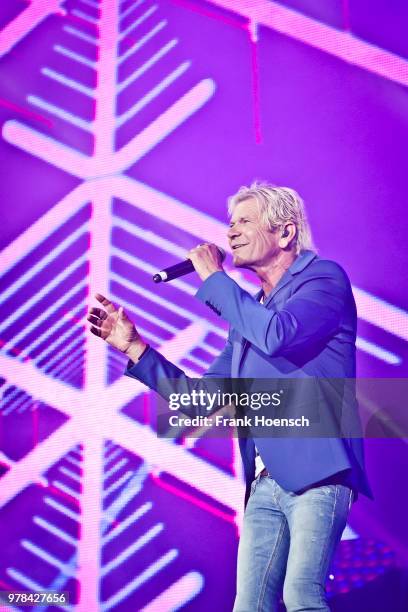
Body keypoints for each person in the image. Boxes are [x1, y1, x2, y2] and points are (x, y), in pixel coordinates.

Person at [87, 182, 372, 611]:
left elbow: (279, 335)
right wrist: (135, 349)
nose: (230, 233)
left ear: (285, 233)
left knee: (302, 595)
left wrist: (216, 281)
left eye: (244, 222)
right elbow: (199, 402)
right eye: (230, 223)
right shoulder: (246, 319)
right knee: (250, 606)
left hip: (319, 472)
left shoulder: (323, 280)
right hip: (262, 483)